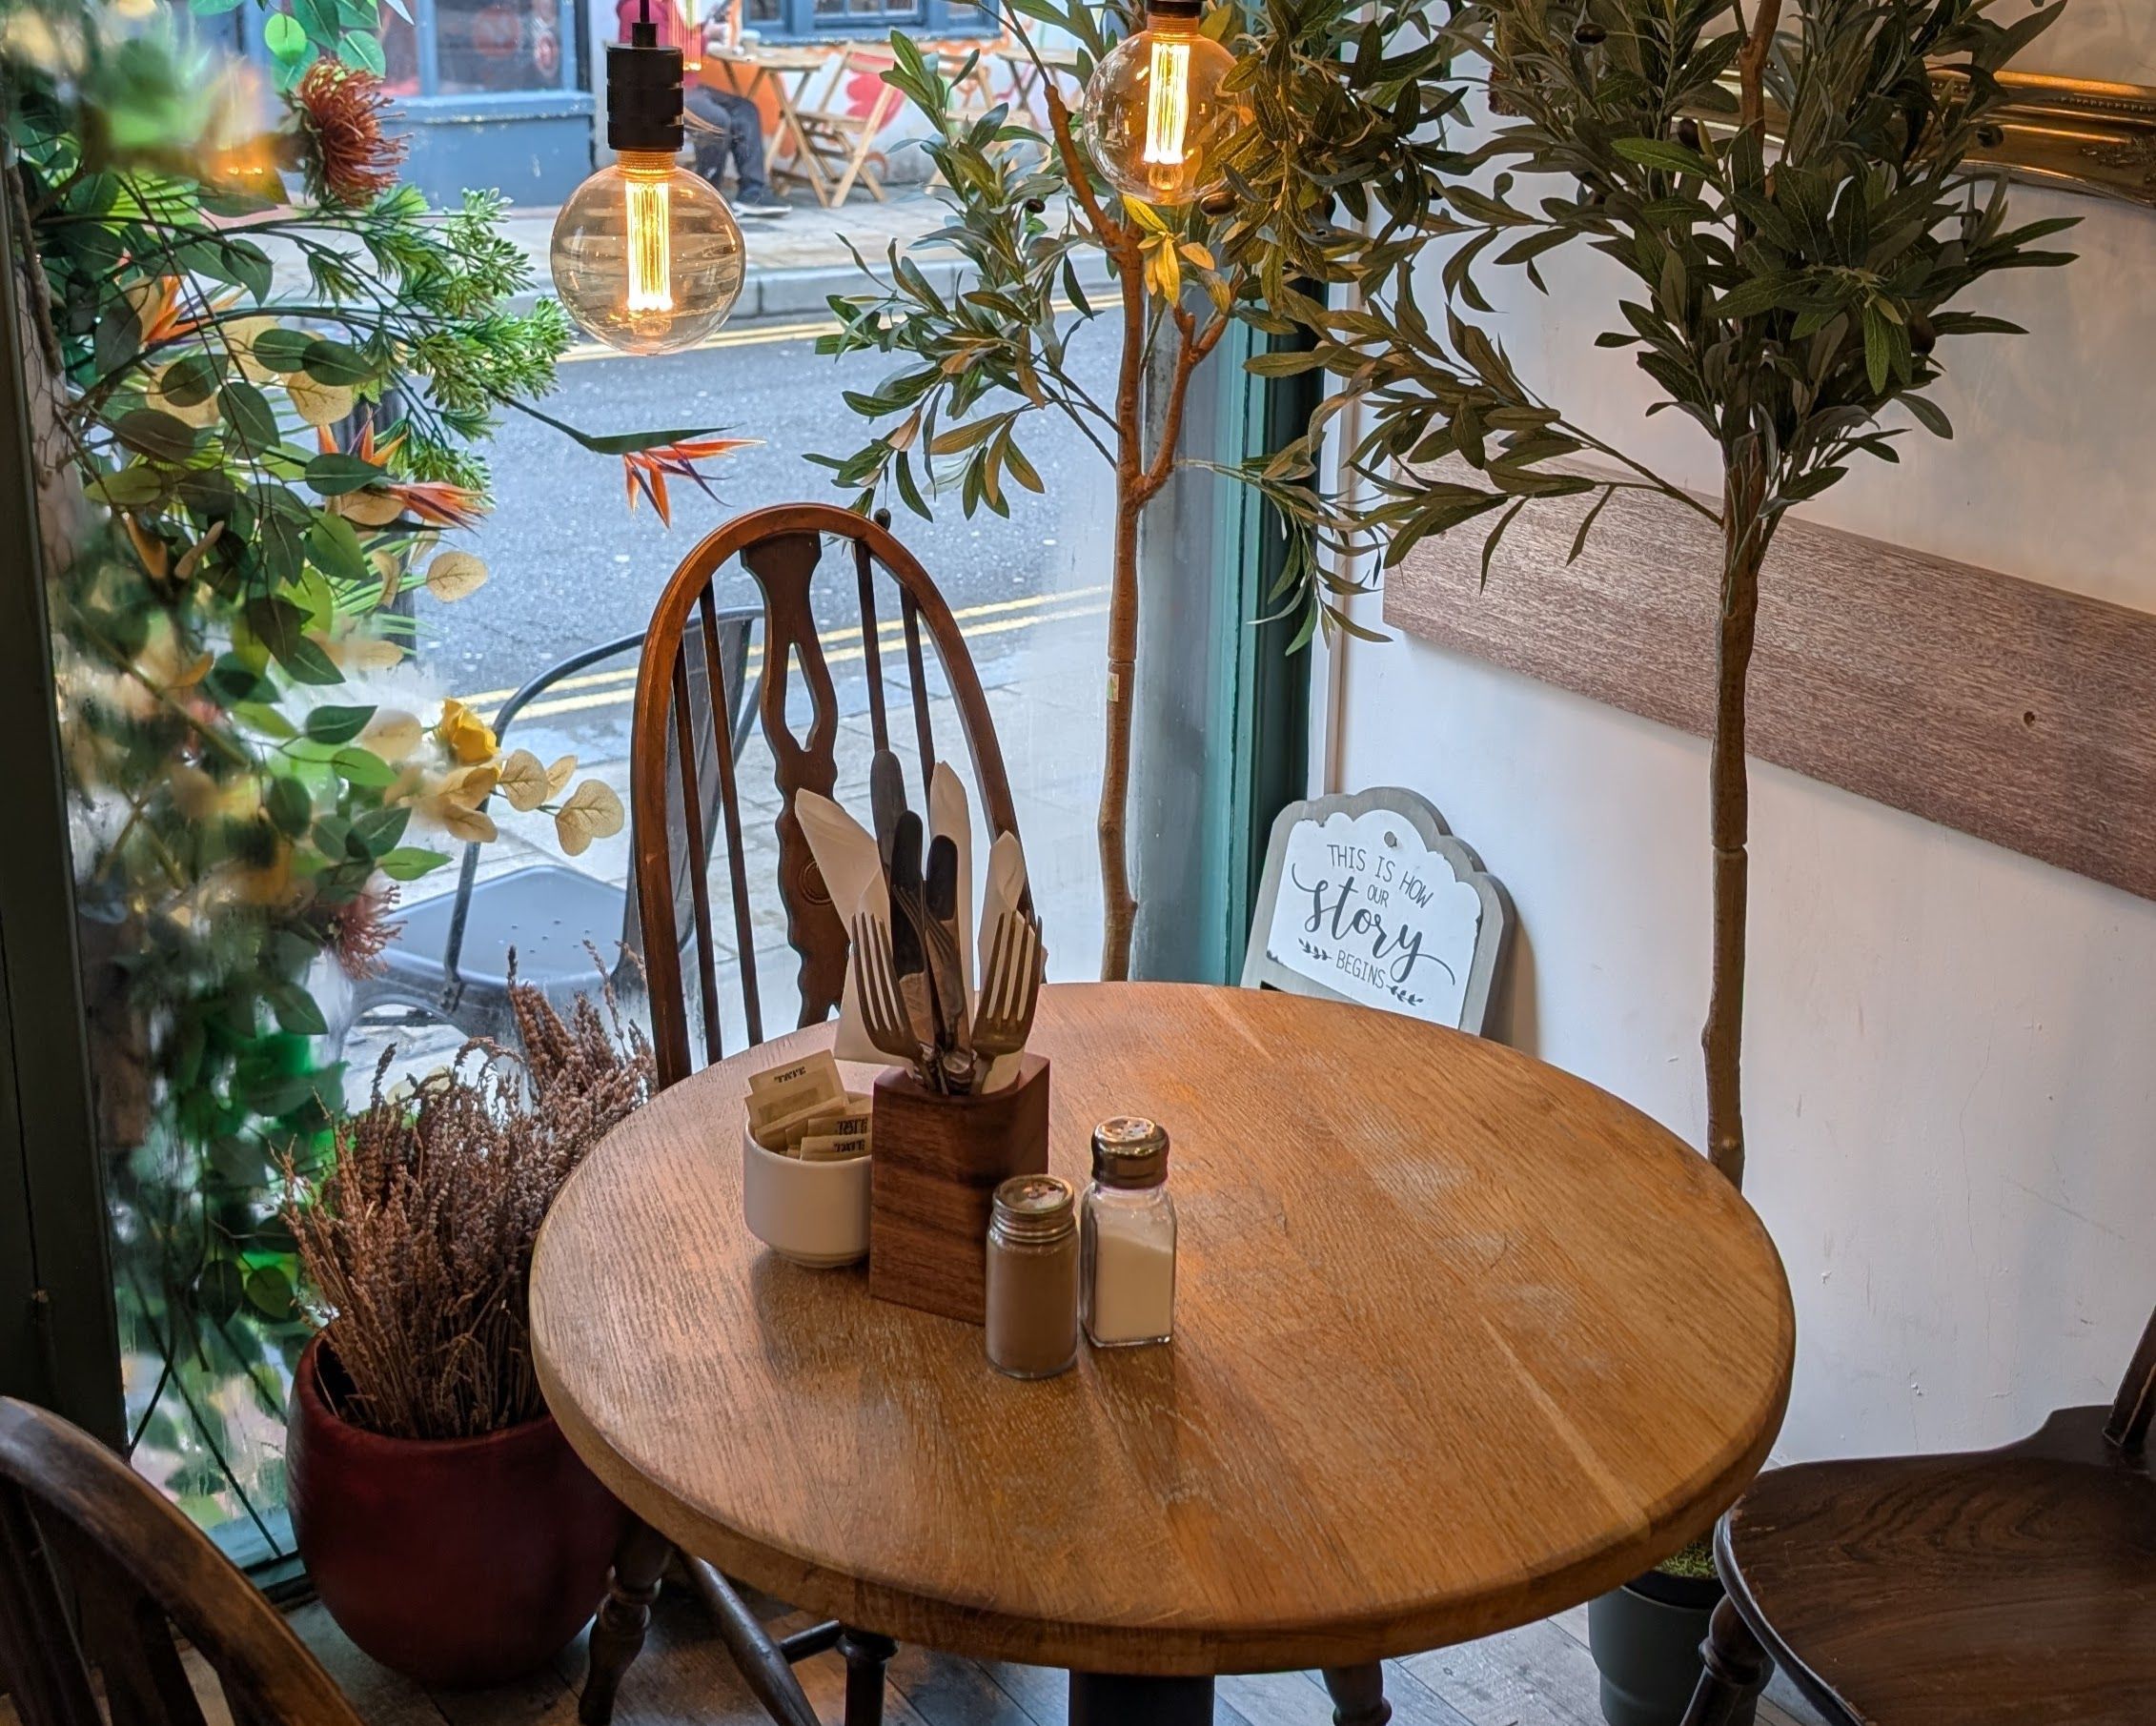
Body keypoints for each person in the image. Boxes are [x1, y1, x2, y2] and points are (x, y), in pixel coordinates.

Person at [613, 0, 790, 217]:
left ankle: (753, 192)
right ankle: (706, 197)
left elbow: (681, 43)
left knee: (745, 110)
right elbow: (670, 56)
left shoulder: (665, 5)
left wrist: (705, 28)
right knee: (715, 121)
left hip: (683, 85)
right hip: (658, 92)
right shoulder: (642, 8)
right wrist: (707, 35)